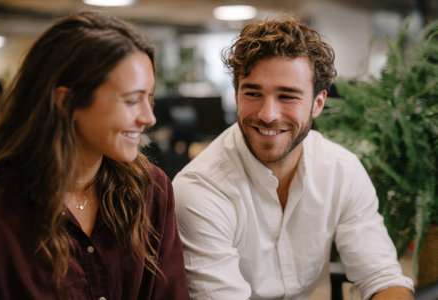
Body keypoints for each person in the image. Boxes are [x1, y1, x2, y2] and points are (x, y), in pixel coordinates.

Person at [172, 16, 414, 300]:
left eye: (287, 96)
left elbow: (382, 277)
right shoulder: (200, 189)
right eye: (253, 93)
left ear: (317, 104)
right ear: (236, 96)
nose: (268, 114)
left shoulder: (341, 169)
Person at [0, 11, 189, 300]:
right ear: (67, 101)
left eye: (149, 97)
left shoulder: (151, 190)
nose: (149, 117)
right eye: (132, 100)